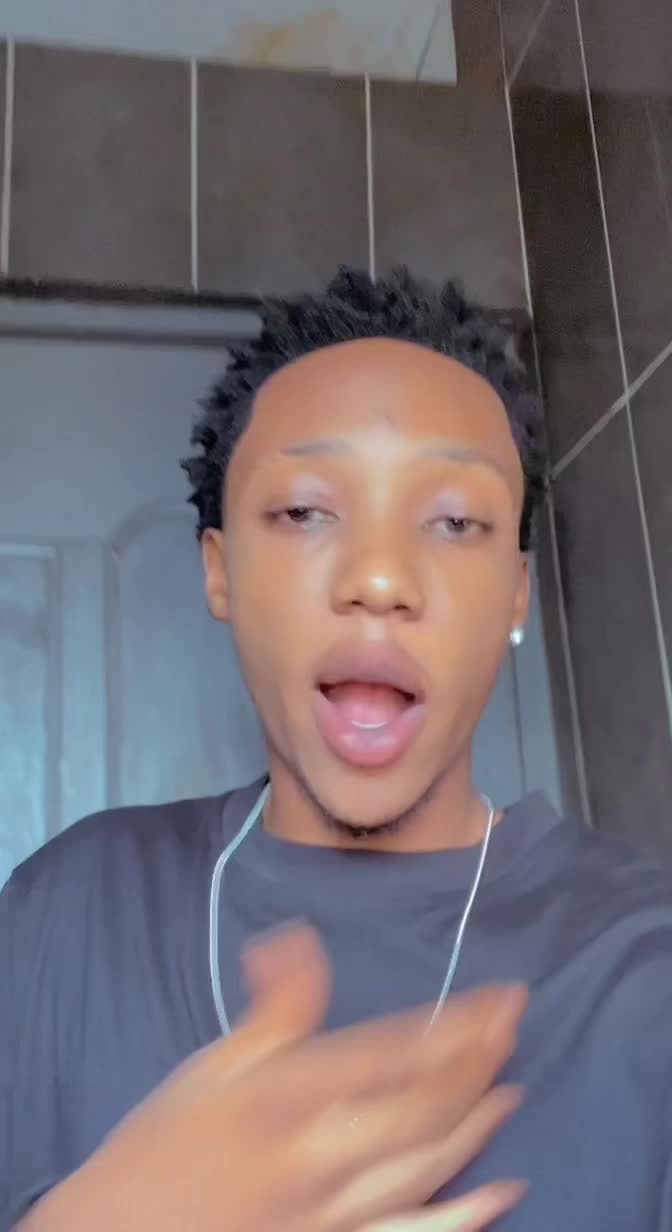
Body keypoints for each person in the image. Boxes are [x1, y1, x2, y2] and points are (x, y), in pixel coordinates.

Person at [1, 269, 671, 1232]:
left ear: (516, 593)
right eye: (305, 511)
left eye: (456, 521)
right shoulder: (67, 909)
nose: (380, 577)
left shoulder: (647, 966)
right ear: (220, 571)